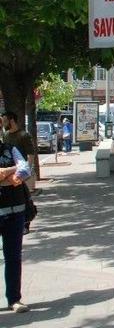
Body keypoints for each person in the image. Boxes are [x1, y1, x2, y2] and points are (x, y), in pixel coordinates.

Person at [0, 137, 31, 313]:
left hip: (14, 212)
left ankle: (14, 299)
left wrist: (6, 172)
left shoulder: (10, 148)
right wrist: (10, 171)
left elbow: (26, 169)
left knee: (13, 258)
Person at [2, 112, 36, 234]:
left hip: (20, 172)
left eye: (5, 121)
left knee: (25, 199)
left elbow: (30, 153)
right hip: (9, 173)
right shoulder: (6, 135)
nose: (4, 123)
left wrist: (28, 170)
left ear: (11, 120)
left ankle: (26, 225)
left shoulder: (23, 135)